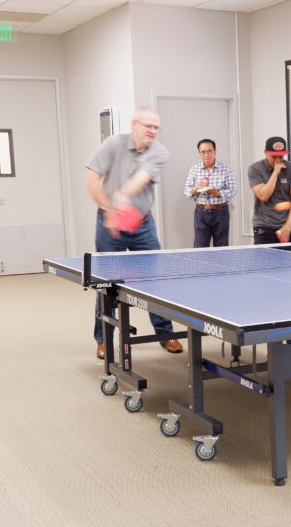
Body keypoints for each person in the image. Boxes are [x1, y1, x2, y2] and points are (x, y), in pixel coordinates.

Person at [86, 106, 182, 358]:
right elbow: (92, 179)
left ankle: (165, 334)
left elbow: (140, 178)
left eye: (156, 127)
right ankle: (104, 339)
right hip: (109, 221)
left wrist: (121, 200)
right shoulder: (113, 144)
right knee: (107, 284)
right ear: (134, 125)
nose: (152, 131)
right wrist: (109, 209)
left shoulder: (159, 151)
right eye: (148, 125)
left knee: (155, 281)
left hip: (142, 225)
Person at [183, 138, 237, 248]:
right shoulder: (194, 169)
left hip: (221, 212)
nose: (206, 154)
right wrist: (196, 188)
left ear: (215, 151)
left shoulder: (226, 169)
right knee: (200, 248)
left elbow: (233, 190)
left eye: (209, 151)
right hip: (201, 212)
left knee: (221, 248)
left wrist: (218, 193)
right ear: (199, 153)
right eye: (203, 152)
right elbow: (187, 192)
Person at [249, 136, 291, 246]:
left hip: (285, 226)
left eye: (281, 156)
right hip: (263, 226)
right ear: (265, 153)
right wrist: (275, 173)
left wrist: (288, 225)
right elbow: (263, 196)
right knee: (264, 262)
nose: (278, 160)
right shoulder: (255, 169)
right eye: (274, 157)